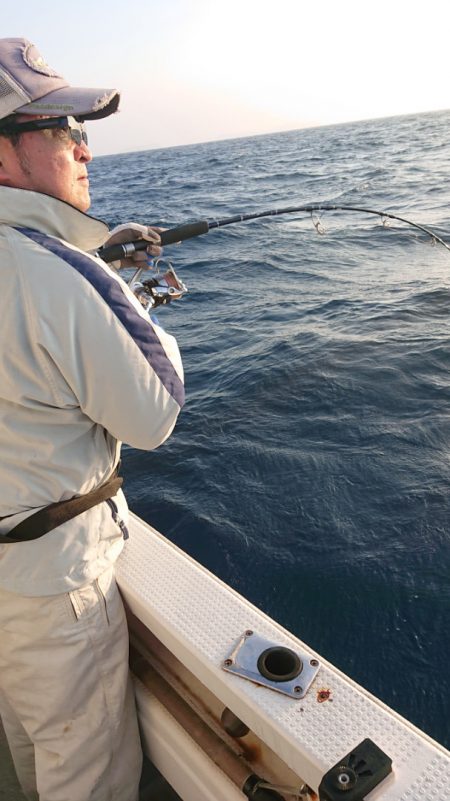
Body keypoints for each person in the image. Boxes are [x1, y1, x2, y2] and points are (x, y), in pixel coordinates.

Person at [0, 38, 184, 801]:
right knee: (87, 781)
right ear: (6, 157)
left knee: (29, 756)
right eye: (64, 131)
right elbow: (154, 410)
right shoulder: (60, 272)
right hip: (54, 593)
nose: (85, 149)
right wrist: (118, 284)